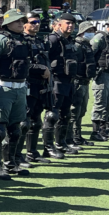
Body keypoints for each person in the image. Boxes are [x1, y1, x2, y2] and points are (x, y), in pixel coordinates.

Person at [0, 9, 32, 179]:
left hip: (20, 87)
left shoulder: (24, 40)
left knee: (16, 129)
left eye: (22, 21)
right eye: (17, 21)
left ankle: (11, 163)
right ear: (7, 23)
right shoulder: (0, 39)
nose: (21, 24)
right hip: (2, 87)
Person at [41, 13, 80, 160]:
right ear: (58, 24)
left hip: (68, 81)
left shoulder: (69, 40)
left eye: (72, 23)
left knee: (65, 114)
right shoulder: (52, 39)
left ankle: (61, 143)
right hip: (56, 81)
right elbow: (44, 58)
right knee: (52, 115)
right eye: (67, 23)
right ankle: (48, 147)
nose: (70, 26)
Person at [23, 12, 52, 166]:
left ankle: (32, 152)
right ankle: (16, 156)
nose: (36, 24)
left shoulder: (40, 41)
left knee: (36, 121)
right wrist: (41, 69)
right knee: (24, 122)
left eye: (38, 22)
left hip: (41, 85)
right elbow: (22, 64)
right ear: (25, 24)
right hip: (29, 85)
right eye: (33, 22)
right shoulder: (22, 41)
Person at [72, 18, 98, 147]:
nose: (91, 33)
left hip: (85, 82)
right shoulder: (76, 46)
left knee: (81, 110)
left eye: (92, 30)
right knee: (74, 111)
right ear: (82, 32)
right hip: (77, 82)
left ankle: (77, 136)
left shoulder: (86, 45)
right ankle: (72, 137)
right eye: (89, 30)